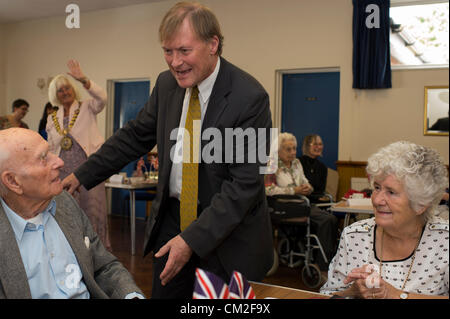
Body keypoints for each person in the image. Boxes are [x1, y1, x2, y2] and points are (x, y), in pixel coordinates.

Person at [62, 2, 273, 299]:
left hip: (227, 234)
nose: (175, 62)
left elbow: (243, 187)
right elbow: (135, 136)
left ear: (213, 44)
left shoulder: (249, 97)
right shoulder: (166, 85)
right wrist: (82, 175)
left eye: (184, 51)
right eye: (168, 51)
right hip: (171, 223)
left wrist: (190, 240)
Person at [0, 128, 144, 299]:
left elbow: (104, 266)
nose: (60, 162)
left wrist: (131, 295)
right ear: (12, 181)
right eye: (43, 158)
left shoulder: (64, 202)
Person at [320, 141, 449, 299]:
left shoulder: (444, 240)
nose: (377, 200)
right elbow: (328, 294)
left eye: (391, 192)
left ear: (420, 204)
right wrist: (352, 291)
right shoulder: (354, 236)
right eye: (377, 188)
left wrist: (397, 295)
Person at [47, 59, 111, 251]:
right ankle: (71, 249)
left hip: (88, 169)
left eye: (67, 88)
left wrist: (84, 79)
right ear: (55, 95)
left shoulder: (87, 106)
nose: (65, 92)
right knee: (66, 212)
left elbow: (103, 98)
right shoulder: (52, 118)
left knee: (94, 212)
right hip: (63, 171)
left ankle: (98, 252)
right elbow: (51, 147)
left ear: (73, 89)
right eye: (60, 90)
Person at [265, 132, 338, 271]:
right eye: (288, 149)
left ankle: (326, 261)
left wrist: (307, 188)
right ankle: (322, 266)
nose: (293, 152)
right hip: (282, 206)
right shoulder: (270, 164)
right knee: (327, 220)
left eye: (294, 148)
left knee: (331, 219)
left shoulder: (297, 163)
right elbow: (267, 190)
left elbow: (306, 182)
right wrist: (294, 191)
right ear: (278, 150)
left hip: (301, 204)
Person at [299, 134, 329, 203]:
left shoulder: (322, 167)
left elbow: (321, 191)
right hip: (302, 201)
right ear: (307, 146)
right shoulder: (298, 163)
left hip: (317, 202)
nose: (318, 147)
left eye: (320, 144)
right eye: (315, 144)